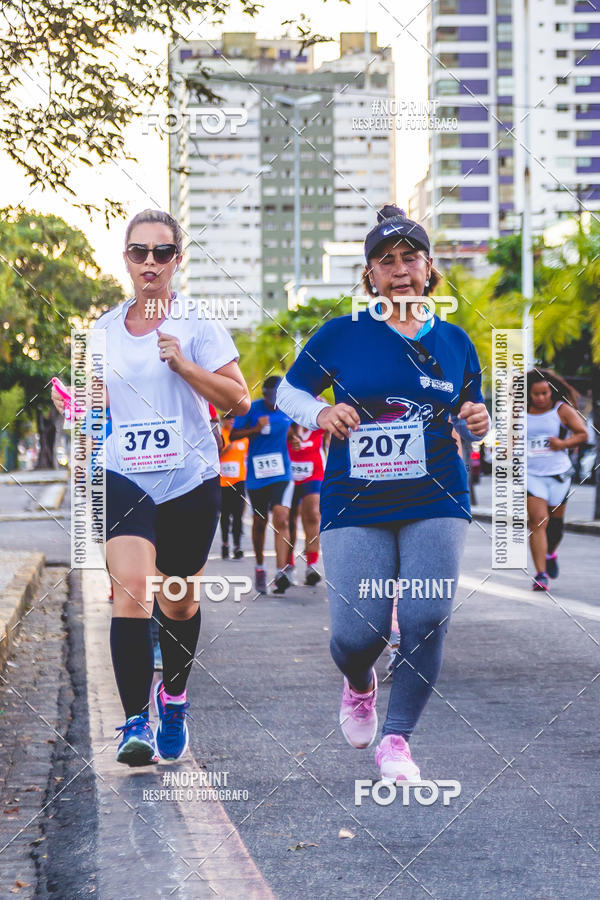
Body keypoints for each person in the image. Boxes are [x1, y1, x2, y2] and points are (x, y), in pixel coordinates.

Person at [277, 204, 490, 783]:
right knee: (358, 635)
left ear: (428, 267)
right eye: (386, 260)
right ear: (370, 274)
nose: (399, 270)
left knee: (427, 614)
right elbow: (289, 394)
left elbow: (471, 409)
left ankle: (397, 740)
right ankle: (358, 681)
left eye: (410, 258)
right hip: (356, 498)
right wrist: (322, 413)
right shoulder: (342, 333)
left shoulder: (454, 340)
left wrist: (478, 419)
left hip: (436, 494)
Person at [52, 208, 250, 766]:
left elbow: (239, 400)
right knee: (133, 590)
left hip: (189, 480)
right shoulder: (99, 332)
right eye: (139, 251)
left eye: (162, 252)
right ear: (126, 259)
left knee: (178, 602)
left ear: (177, 260)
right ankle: (135, 722)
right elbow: (92, 412)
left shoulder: (199, 323)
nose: (150, 262)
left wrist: (184, 366)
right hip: (124, 476)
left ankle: (175, 698)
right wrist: (82, 445)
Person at [229, 376, 298, 595]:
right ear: (265, 394)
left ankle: (281, 572)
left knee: (282, 517)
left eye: (275, 397)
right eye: (269, 396)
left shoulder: (288, 408)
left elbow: (288, 429)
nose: (272, 401)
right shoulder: (252, 409)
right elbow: (233, 435)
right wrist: (255, 429)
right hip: (257, 476)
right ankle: (260, 567)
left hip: (281, 472)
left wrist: (293, 438)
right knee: (260, 522)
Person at [527, 369, 587, 591]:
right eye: (536, 394)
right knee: (538, 521)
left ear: (551, 391)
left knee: (556, 527)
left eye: (545, 393)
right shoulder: (519, 412)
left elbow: (583, 434)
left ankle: (550, 553)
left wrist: (562, 444)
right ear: (528, 394)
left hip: (558, 475)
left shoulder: (561, 410)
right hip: (531, 475)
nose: (541, 397)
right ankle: (541, 575)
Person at [287, 424, 328, 586]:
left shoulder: (317, 419)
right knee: (289, 520)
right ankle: (288, 564)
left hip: (314, 474)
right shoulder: (287, 420)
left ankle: (312, 565)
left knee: (312, 515)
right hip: (288, 474)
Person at [219, 412, 248, 559]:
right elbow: (215, 456)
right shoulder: (220, 435)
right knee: (225, 515)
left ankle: (237, 546)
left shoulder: (242, 436)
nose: (231, 420)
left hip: (238, 481)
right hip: (223, 482)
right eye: (228, 418)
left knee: (237, 514)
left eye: (233, 418)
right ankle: (225, 544)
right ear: (222, 420)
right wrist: (226, 449)